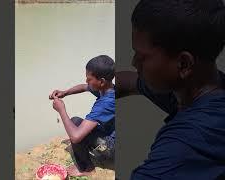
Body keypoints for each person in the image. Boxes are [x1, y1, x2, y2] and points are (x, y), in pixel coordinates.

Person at [116, 0, 225, 179]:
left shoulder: (187, 142)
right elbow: (127, 81)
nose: (134, 62)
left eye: (143, 56)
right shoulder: (194, 86)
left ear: (183, 64)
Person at [49, 55, 115, 176]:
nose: (86, 81)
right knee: (77, 125)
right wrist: (65, 92)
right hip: (111, 133)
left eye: (89, 79)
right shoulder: (107, 88)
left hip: (112, 147)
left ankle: (86, 169)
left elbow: (75, 137)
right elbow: (84, 87)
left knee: (75, 125)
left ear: (101, 81)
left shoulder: (106, 103)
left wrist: (61, 110)